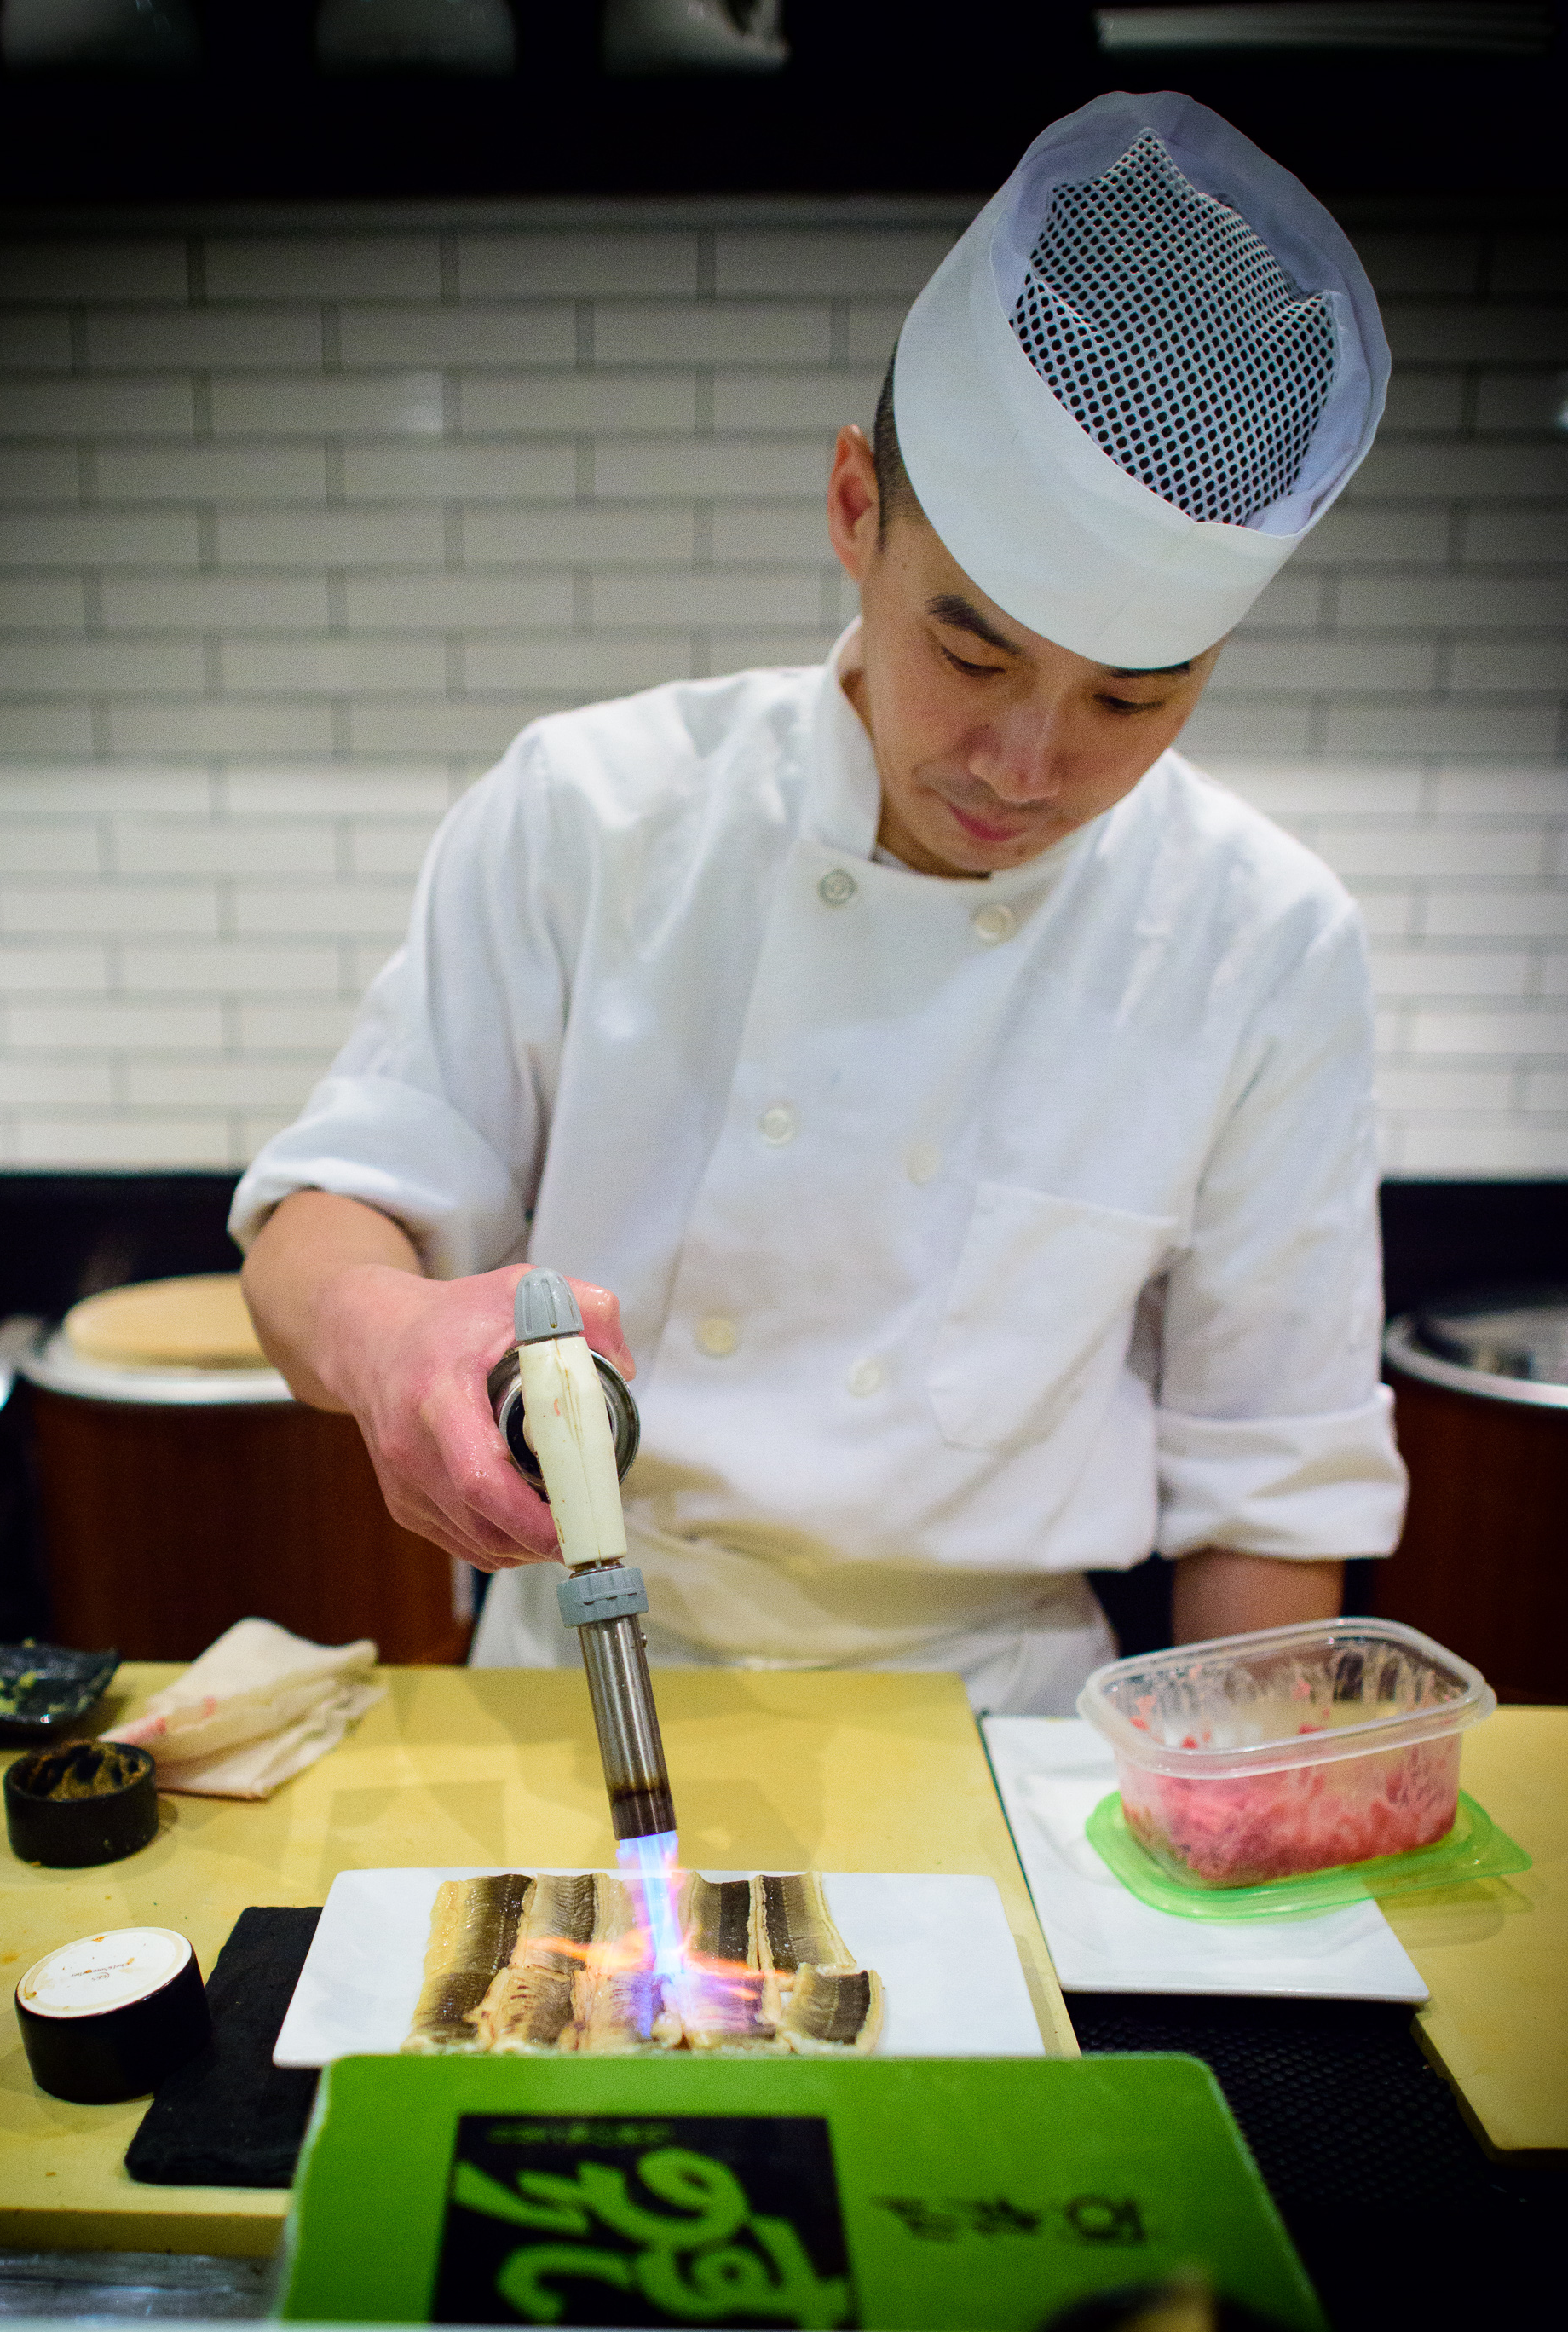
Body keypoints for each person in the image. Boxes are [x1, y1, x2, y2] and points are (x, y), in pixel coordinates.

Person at [234, 90, 1408, 1719]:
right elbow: (327, 1220)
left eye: (1130, 703)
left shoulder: (1260, 940)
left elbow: (1268, 1477)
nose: (1026, 762)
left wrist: (1256, 1858)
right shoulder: (593, 809)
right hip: (586, 1678)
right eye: (971, 651)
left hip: (1000, 1728)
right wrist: (383, 1340)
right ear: (856, 508)